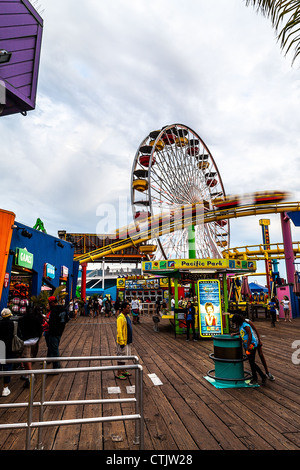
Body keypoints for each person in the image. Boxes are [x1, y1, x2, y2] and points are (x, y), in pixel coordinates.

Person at [231, 314, 266, 385]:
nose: (235, 324)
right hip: (247, 345)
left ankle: (258, 378)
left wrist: (248, 346)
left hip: (251, 345)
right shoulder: (241, 325)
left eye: (235, 322)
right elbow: (243, 333)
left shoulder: (245, 325)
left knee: (251, 362)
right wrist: (236, 333)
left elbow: (250, 334)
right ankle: (260, 376)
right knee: (251, 361)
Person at [18, 306, 44, 388]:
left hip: (26, 340)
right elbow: (40, 328)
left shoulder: (22, 319)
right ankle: (27, 374)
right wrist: (39, 338)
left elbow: (19, 330)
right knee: (31, 355)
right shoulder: (36, 318)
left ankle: (30, 376)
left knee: (26, 357)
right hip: (35, 339)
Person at [0, 309, 18, 396]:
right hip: (9, 347)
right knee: (7, 367)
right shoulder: (12, 324)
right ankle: (5, 388)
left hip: (0, 346)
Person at [47, 296, 68, 370]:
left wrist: (47, 321)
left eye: (49, 303)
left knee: (54, 349)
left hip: (53, 332)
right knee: (54, 348)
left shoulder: (54, 311)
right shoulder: (63, 309)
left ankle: (56, 366)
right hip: (60, 331)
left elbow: (51, 322)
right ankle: (52, 362)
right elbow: (66, 319)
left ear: (52, 303)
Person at [116, 301, 133, 380]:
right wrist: (121, 342)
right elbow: (119, 331)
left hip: (128, 340)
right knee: (121, 357)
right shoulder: (120, 318)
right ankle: (119, 373)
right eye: (128, 308)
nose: (129, 309)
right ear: (123, 309)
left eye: (129, 308)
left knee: (126, 356)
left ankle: (123, 370)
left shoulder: (127, 316)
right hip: (123, 341)